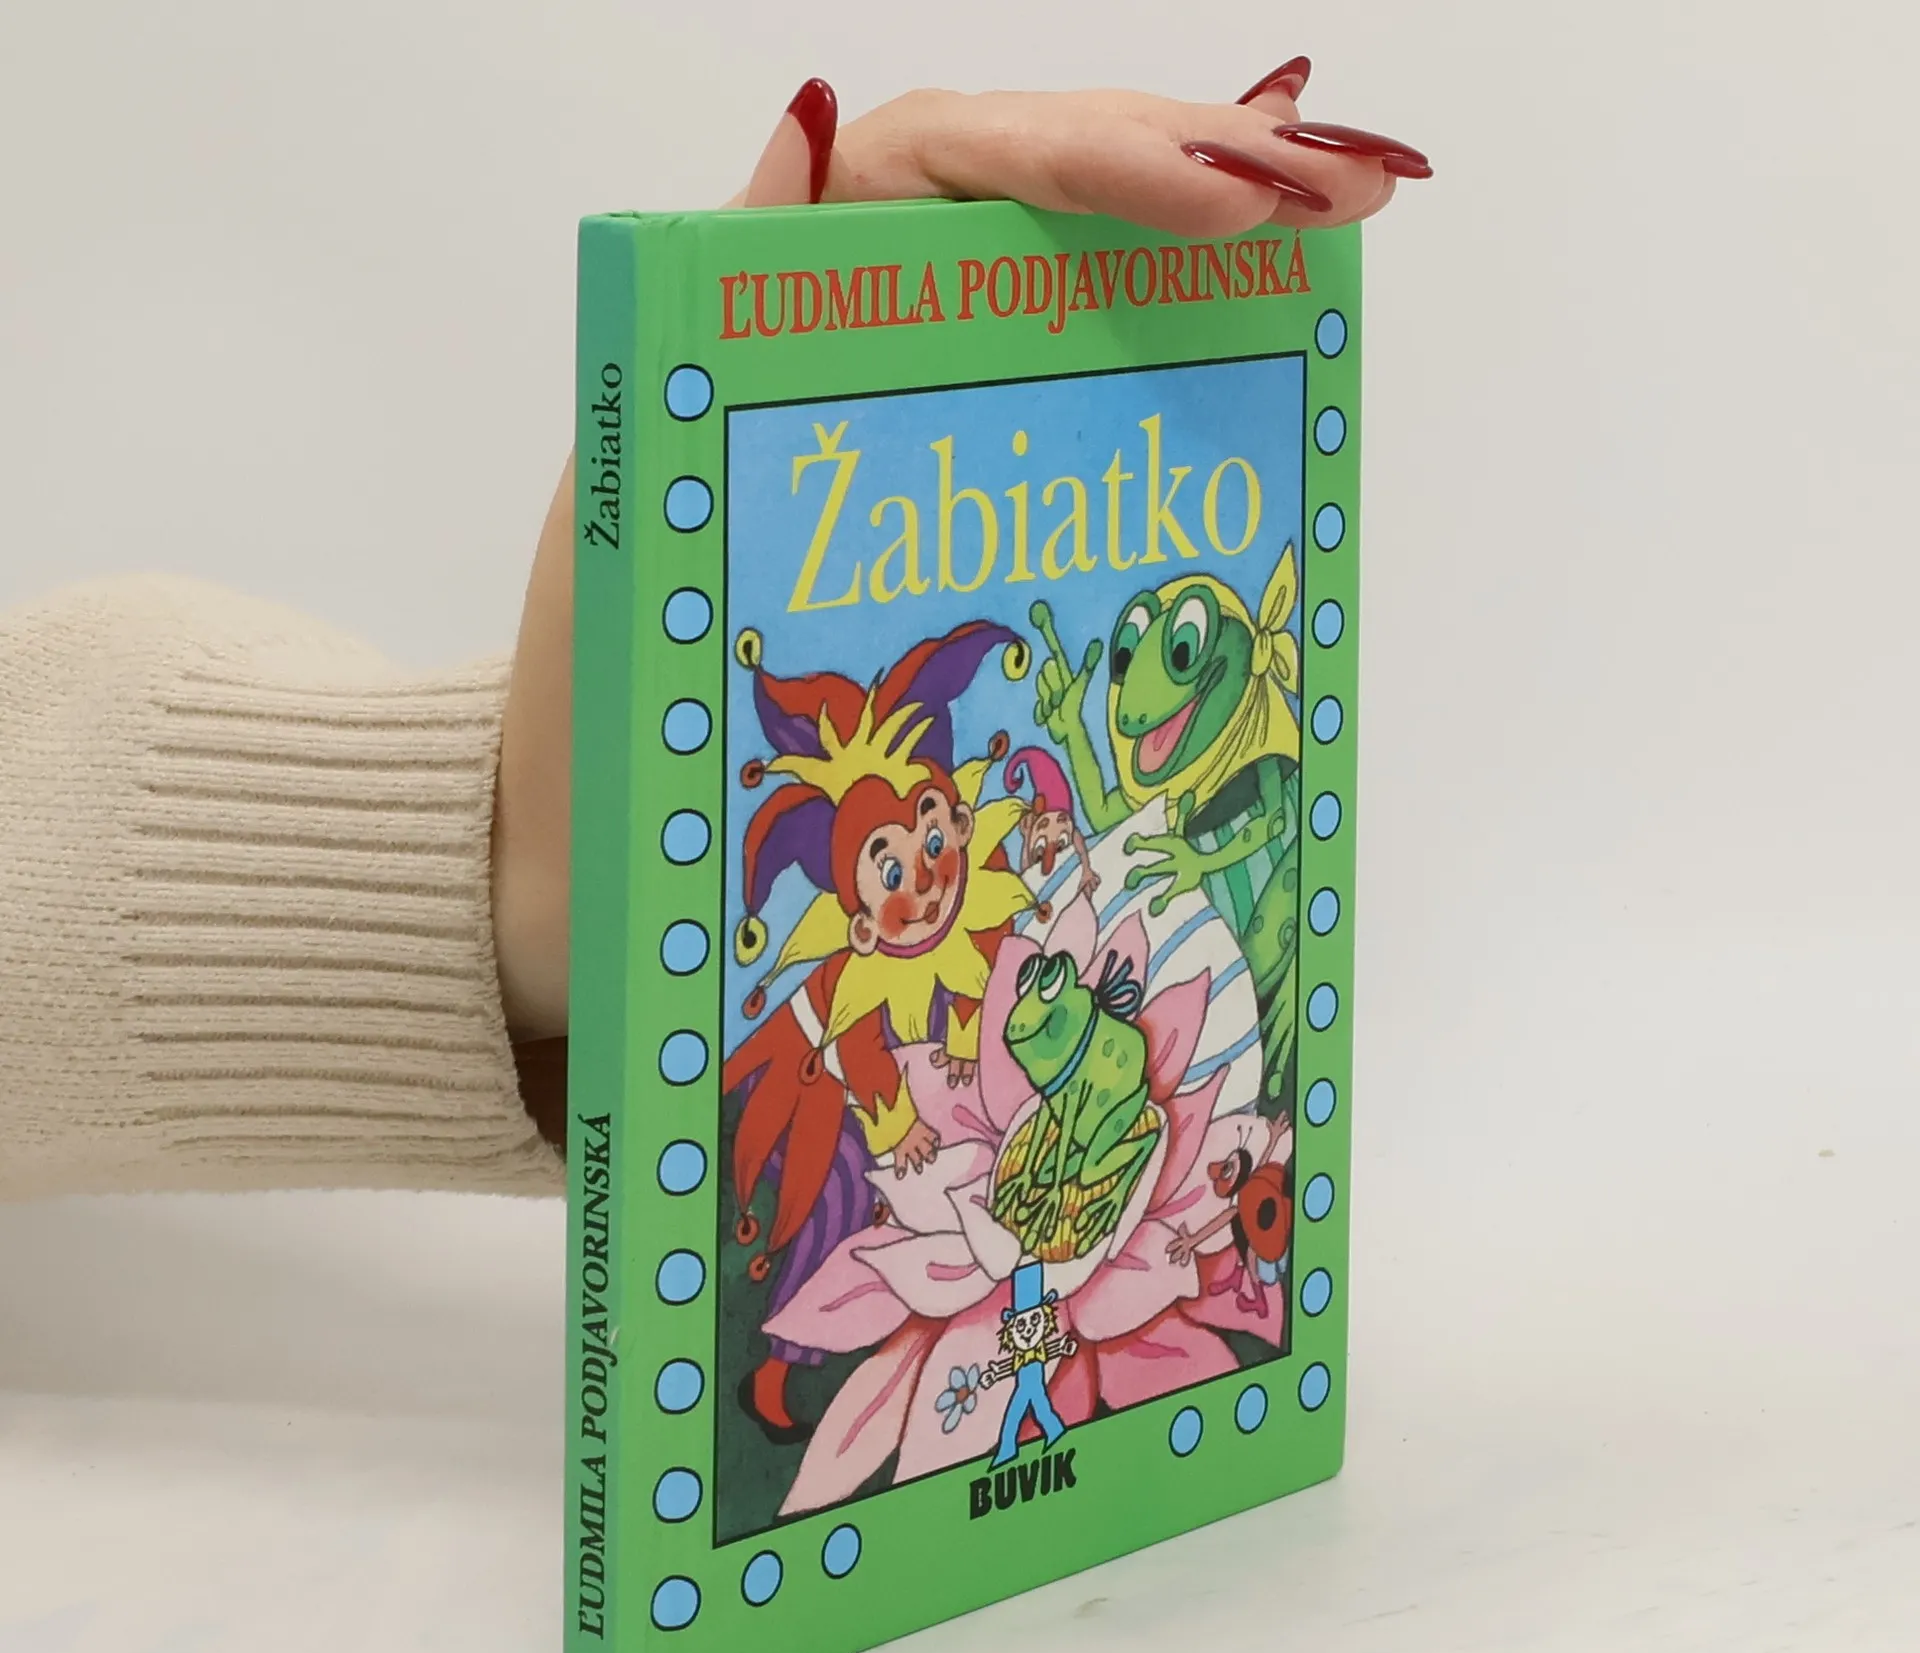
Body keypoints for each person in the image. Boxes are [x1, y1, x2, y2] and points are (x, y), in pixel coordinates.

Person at [0, 67, 1428, 1203]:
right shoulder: (873, 995)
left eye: (930, 833)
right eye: (894, 863)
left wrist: (514, 875)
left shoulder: (1039, 886)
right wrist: (498, 877)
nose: (930, 873)